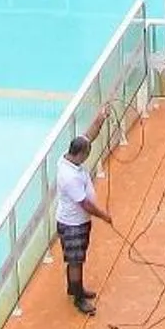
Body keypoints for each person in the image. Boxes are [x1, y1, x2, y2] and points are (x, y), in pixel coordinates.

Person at [55, 135, 109, 316]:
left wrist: (101, 119)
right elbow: (85, 204)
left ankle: (75, 288)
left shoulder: (66, 160)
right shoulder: (69, 177)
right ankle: (78, 298)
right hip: (73, 224)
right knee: (75, 261)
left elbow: (89, 135)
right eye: (87, 153)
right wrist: (104, 216)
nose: (88, 156)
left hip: (79, 222)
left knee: (76, 259)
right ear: (80, 154)